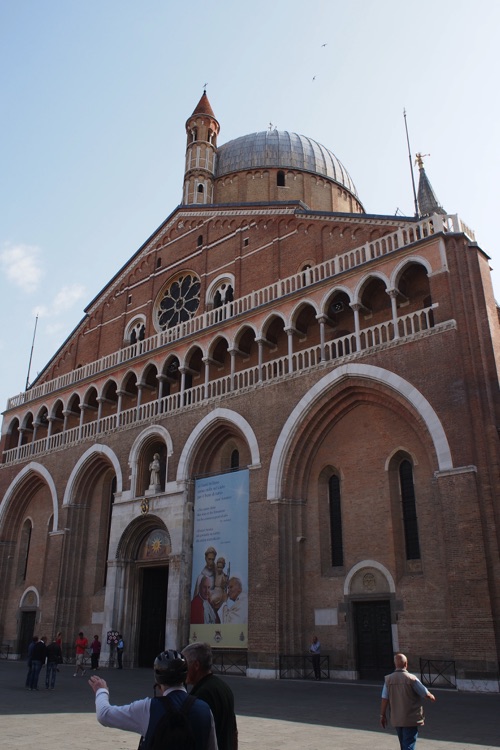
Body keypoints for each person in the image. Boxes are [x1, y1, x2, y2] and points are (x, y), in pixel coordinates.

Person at [88, 649, 217, 750]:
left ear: (157, 680)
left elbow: (104, 714)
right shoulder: (205, 709)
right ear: (185, 676)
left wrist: (101, 690)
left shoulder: (148, 708)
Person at [183, 642, 238, 750]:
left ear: (196, 665)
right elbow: (234, 731)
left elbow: (199, 737)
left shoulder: (202, 694)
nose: (183, 670)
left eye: (185, 665)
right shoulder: (224, 687)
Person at [380, 652, 436, 750]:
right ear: (406, 664)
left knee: (403, 743)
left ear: (395, 664)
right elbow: (425, 693)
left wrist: (382, 715)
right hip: (410, 717)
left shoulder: (388, 680)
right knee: (409, 743)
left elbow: (384, 698)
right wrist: (431, 697)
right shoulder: (411, 678)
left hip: (396, 717)